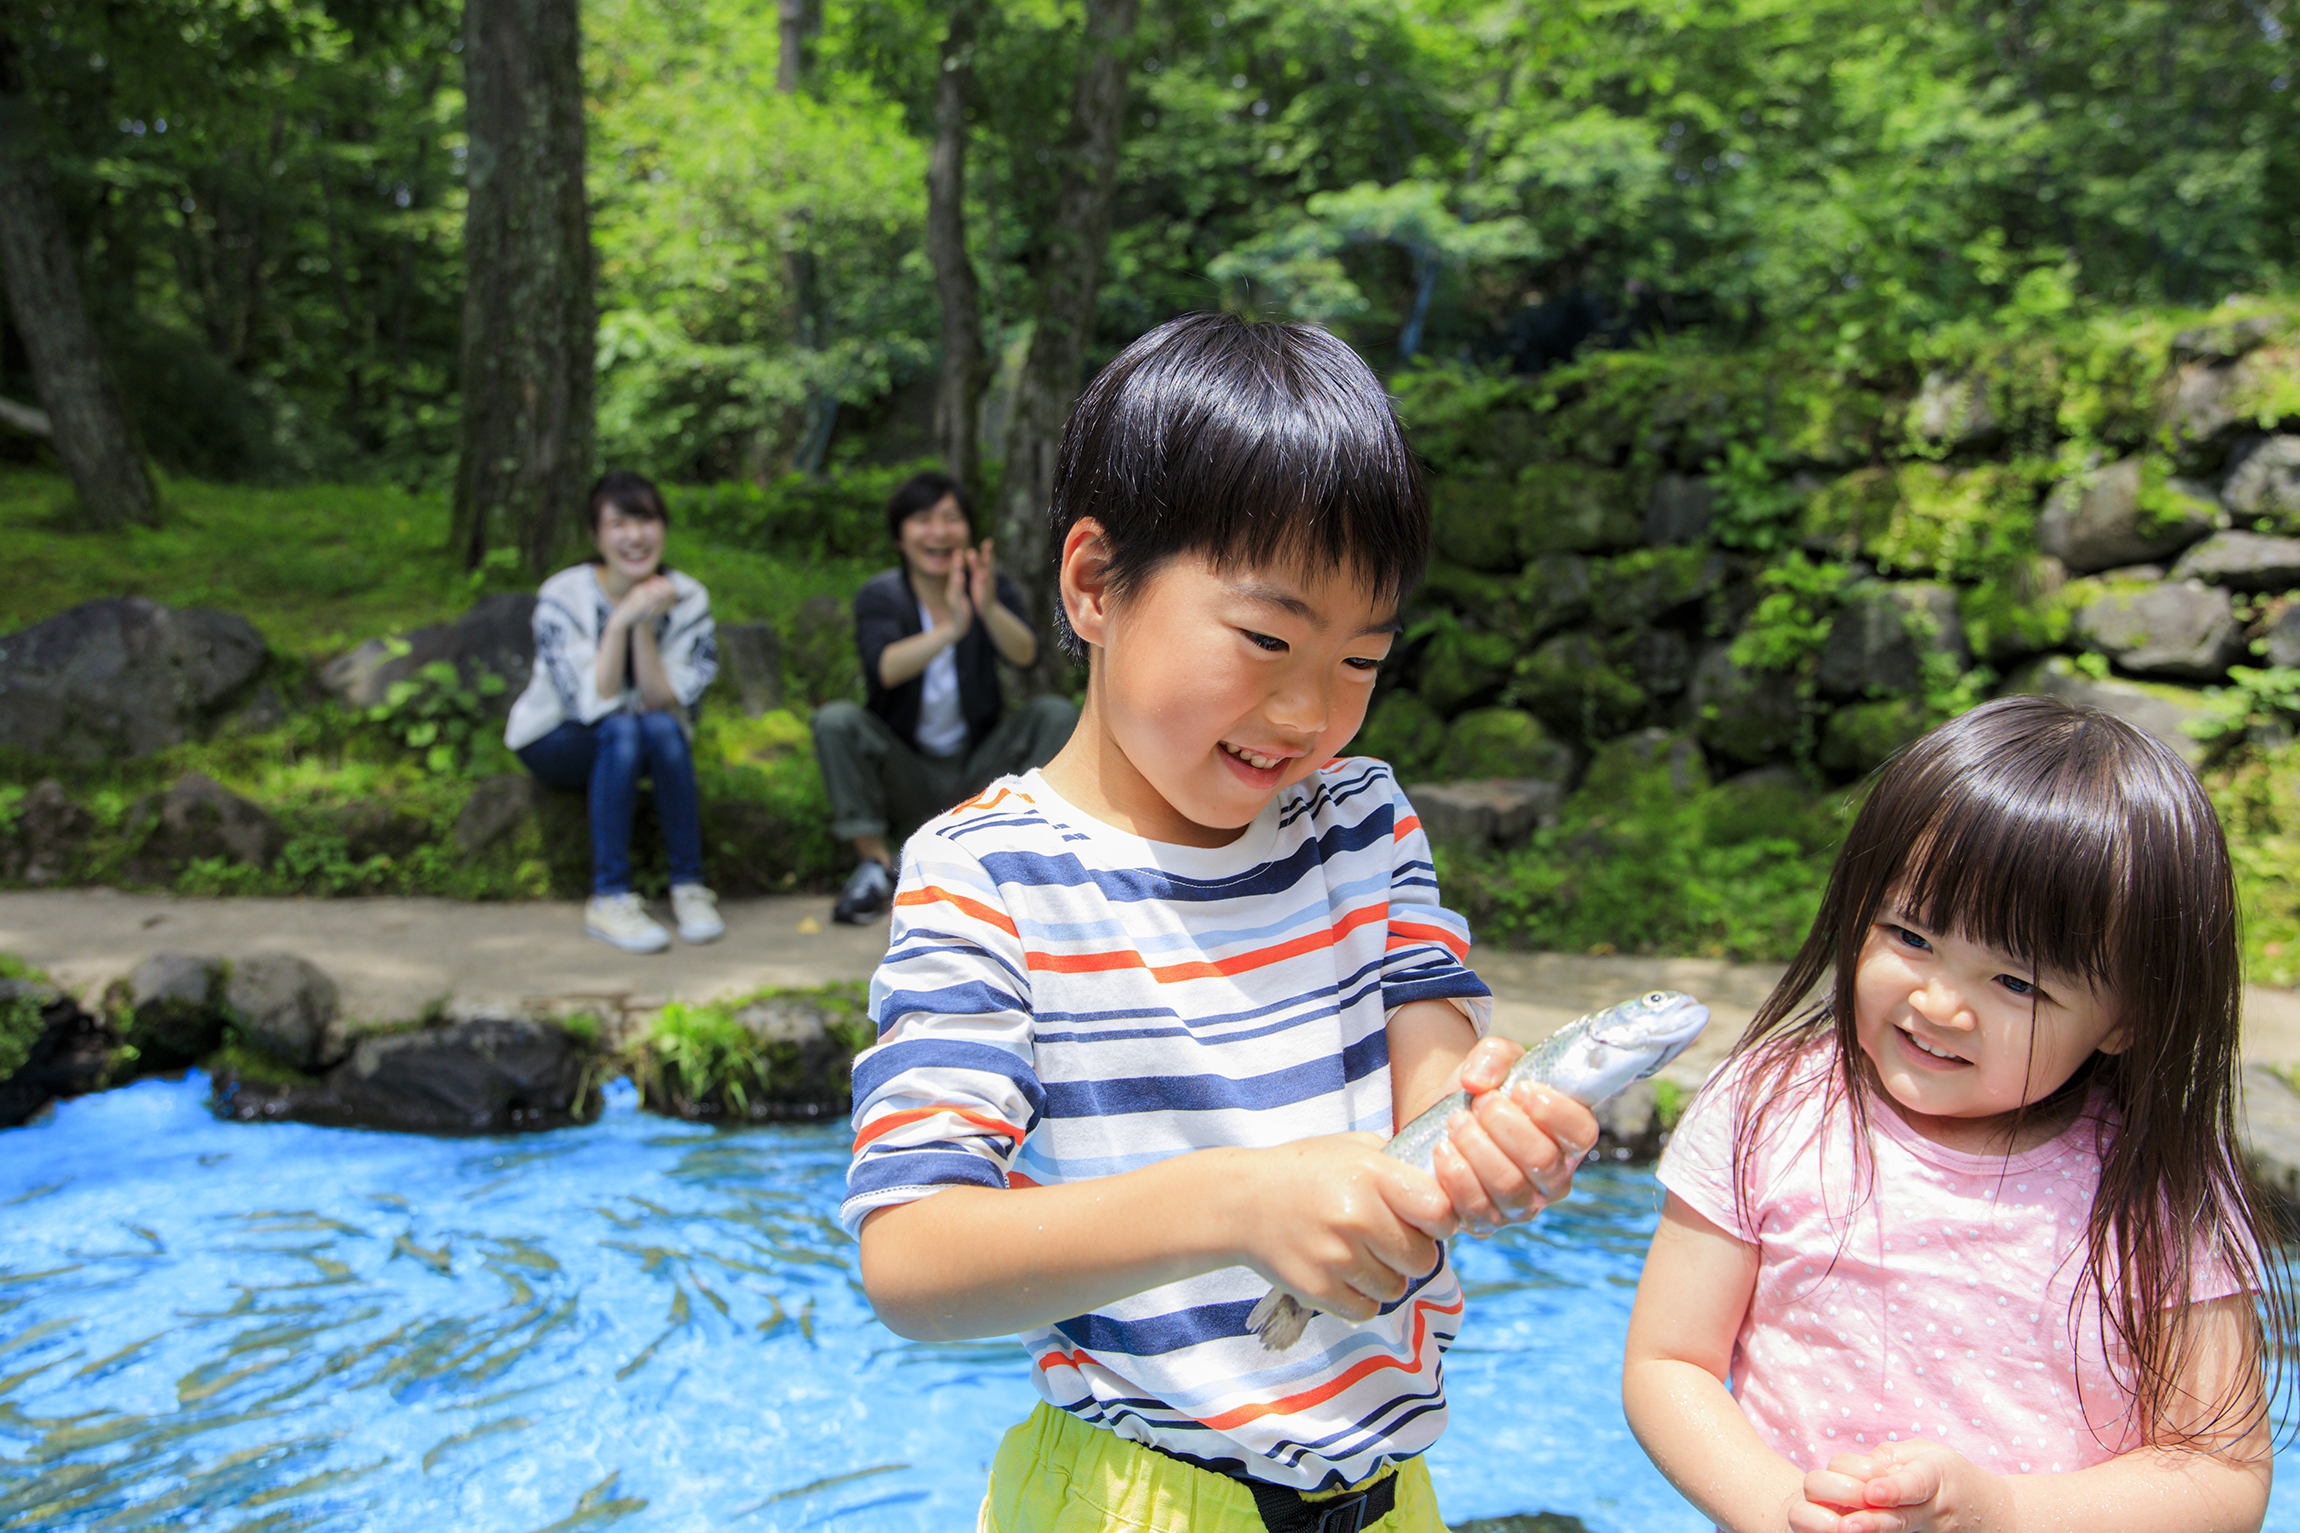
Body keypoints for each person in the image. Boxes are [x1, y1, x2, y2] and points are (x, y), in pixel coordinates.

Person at [843, 313, 1602, 1531]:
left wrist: (1486, 1138)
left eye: (1361, 659)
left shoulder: (1359, 821)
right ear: (1094, 584)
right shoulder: (988, 876)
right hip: (1135, 1501)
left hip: (1388, 1490)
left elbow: (1436, 1081)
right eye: (1265, 639)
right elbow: (913, 1261)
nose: (1309, 713)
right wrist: (1236, 1205)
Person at [1622, 695, 2287, 1533]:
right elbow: (1668, 1360)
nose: (1939, 1002)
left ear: (2129, 1014)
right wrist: (1775, 1505)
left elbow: (2220, 1473)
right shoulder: (1769, 1107)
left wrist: (2004, 1512)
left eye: (2016, 982)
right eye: (1910, 934)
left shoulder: (2157, 1181)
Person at [812, 470, 1077, 924]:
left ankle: (1019, 857)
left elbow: (1026, 654)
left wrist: (986, 608)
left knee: (1053, 713)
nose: (938, 531)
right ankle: (876, 866)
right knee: (835, 721)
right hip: (907, 769)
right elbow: (885, 669)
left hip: (979, 767)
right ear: (899, 535)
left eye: (951, 518)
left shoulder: (988, 587)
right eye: (922, 519)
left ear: (970, 532)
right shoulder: (883, 595)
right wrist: (950, 628)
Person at [503, 471, 725, 954]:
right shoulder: (562, 595)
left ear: (663, 528)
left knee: (662, 727)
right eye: (619, 523)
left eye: (646, 520)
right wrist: (620, 620)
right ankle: (609, 896)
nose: (635, 536)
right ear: (596, 536)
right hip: (558, 739)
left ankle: (689, 886)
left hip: (644, 735)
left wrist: (642, 623)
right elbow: (592, 703)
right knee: (621, 729)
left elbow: (661, 699)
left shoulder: (687, 597)